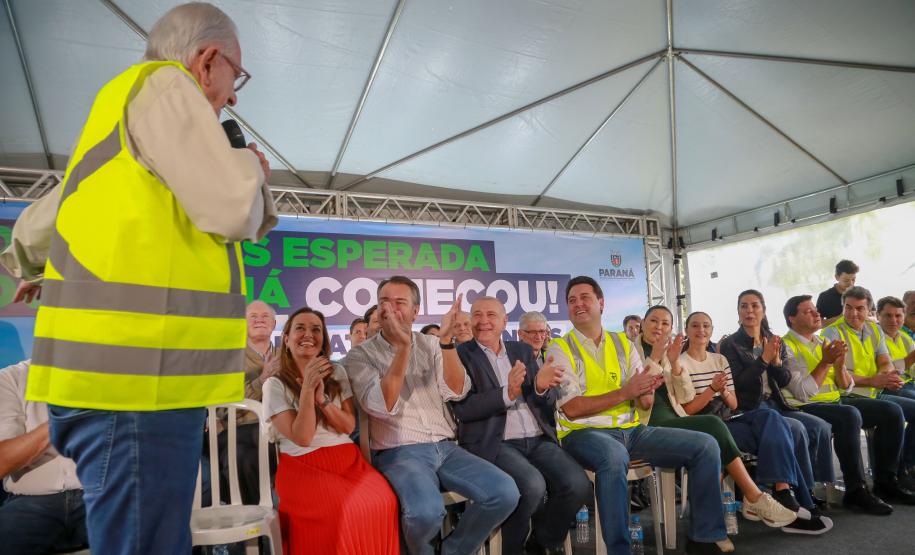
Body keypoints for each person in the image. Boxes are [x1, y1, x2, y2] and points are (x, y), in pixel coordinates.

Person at [0, 4, 278, 553]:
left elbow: (44, 219)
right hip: (135, 388)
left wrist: (32, 265)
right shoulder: (165, 84)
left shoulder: (117, 113)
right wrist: (248, 166)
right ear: (206, 60)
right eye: (235, 76)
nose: (234, 94)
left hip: (107, 386)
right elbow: (231, 208)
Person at [548, 276, 733, 555]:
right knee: (613, 457)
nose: (578, 304)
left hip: (632, 431)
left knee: (705, 444)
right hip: (583, 434)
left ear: (601, 303)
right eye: (572, 300)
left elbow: (644, 402)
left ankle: (705, 537)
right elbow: (572, 408)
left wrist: (647, 390)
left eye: (585, 297)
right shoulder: (559, 349)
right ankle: (620, 550)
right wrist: (626, 392)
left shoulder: (623, 343)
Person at [346, 276, 519, 555]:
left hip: (448, 448)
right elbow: (381, 405)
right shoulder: (359, 357)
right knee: (425, 513)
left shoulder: (431, 344)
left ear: (415, 311)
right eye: (384, 303)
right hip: (399, 452)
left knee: (505, 492)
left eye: (399, 303)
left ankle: (451, 551)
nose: (390, 309)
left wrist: (447, 341)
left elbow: (457, 391)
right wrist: (403, 349)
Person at [638, 306, 800, 532]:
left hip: (679, 416)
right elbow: (644, 400)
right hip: (648, 422)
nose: (659, 327)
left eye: (665, 323)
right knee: (714, 426)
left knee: (771, 418)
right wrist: (657, 358)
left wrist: (674, 364)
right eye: (653, 321)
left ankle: (778, 493)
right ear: (642, 323)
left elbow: (684, 396)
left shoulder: (672, 354)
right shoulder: (632, 351)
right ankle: (754, 496)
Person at [451, 297, 590, 555]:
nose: (483, 321)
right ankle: (511, 549)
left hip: (538, 439)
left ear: (505, 321)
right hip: (496, 442)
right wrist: (507, 393)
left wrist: (539, 387)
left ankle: (541, 542)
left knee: (578, 485)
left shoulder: (522, 351)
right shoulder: (461, 355)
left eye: (491, 315)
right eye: (477, 314)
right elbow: (463, 408)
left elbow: (546, 399)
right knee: (533, 485)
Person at [679, 312, 831, 534]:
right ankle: (786, 501)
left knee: (772, 418)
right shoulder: (681, 363)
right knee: (783, 427)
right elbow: (687, 411)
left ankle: (782, 491)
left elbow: (733, 402)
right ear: (687, 330)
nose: (701, 330)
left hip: (728, 420)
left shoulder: (719, 360)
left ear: (711, 330)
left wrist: (722, 391)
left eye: (705, 326)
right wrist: (712, 390)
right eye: (695, 326)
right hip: (705, 426)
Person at [264, 307, 398, 554]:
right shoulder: (274, 383)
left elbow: (348, 426)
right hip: (302, 465)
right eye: (300, 328)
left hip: (347, 460)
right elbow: (303, 437)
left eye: (316, 329)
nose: (309, 335)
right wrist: (306, 392)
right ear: (286, 339)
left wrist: (322, 399)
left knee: (383, 500)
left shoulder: (337, 372)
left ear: (324, 339)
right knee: (339, 509)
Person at [781, 294, 897, 514]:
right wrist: (826, 362)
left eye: (815, 309)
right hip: (803, 406)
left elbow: (846, 387)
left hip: (835, 401)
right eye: (808, 312)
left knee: (890, 411)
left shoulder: (823, 342)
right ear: (792, 319)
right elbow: (803, 393)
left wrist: (841, 365)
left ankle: (887, 481)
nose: (817, 314)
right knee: (849, 415)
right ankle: (856, 489)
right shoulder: (786, 346)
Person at [719, 290, 835, 498]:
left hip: (776, 403)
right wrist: (763, 359)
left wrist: (777, 364)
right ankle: (800, 493)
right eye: (744, 306)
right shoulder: (731, 344)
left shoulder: (773, 340)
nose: (749, 311)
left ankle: (814, 483)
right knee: (797, 429)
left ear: (763, 310)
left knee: (820, 426)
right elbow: (738, 383)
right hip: (750, 408)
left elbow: (783, 381)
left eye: (755, 305)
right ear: (738, 312)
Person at [822, 286, 915, 495]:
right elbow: (839, 376)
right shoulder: (832, 332)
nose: (854, 314)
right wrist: (874, 380)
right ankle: (890, 479)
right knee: (892, 412)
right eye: (849, 308)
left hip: (874, 392)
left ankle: (896, 476)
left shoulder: (874, 330)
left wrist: (885, 376)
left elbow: (885, 361)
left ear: (869, 310)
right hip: (844, 395)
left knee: (898, 410)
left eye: (860, 309)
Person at [0, 361, 88, 555]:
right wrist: (62, 419)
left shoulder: (113, 378)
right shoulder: (9, 379)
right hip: (30, 501)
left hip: (98, 496)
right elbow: (2, 462)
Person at [216, 300, 280, 505]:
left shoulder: (286, 356)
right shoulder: (229, 358)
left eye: (265, 317)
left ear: (274, 324)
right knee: (239, 458)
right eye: (253, 316)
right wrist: (261, 381)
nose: (259, 320)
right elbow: (223, 407)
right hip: (239, 430)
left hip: (280, 431)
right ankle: (255, 526)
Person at [878, 296, 915, 399]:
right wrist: (912, 357)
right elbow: (886, 372)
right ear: (878, 316)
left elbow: (913, 370)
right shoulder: (872, 336)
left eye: (898, 316)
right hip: (888, 388)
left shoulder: (905, 338)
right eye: (888, 315)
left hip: (908, 384)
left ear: (904, 317)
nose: (893, 320)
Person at [815, 260, 858, 325]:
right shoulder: (824, 297)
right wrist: (840, 317)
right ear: (836, 277)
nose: (851, 284)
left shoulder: (863, 294)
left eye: (853, 280)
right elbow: (818, 324)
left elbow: (875, 318)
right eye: (846, 281)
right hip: (834, 334)